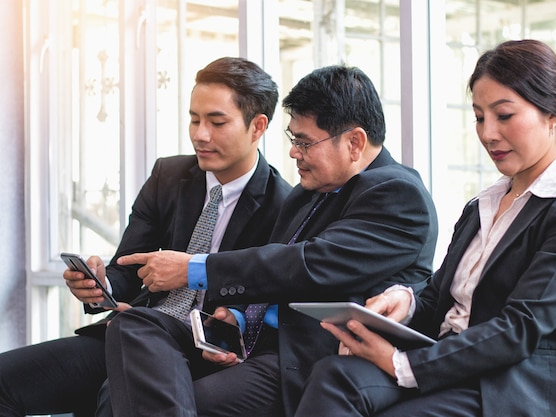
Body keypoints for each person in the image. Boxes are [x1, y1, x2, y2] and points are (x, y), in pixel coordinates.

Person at [101, 64, 439, 417]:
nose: (294, 153)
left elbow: (311, 265)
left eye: (305, 142)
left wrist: (194, 269)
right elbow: (275, 281)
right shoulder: (309, 191)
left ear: (354, 142)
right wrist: (238, 317)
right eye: (293, 140)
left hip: (299, 361)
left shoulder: (397, 193)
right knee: (134, 325)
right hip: (249, 347)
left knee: (130, 402)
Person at [293, 39, 556, 417]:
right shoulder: (484, 205)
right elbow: (442, 297)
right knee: (333, 375)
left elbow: (518, 329)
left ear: (554, 112)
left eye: (503, 115)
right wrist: (406, 302)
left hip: (510, 388)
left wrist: (401, 366)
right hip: (451, 367)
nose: (488, 133)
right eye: (479, 117)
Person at [0, 56, 292, 417]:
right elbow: (127, 266)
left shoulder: (284, 204)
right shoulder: (167, 176)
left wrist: (231, 316)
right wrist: (103, 284)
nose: (201, 134)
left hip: (200, 349)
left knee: (113, 401)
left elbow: (267, 295)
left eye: (217, 122)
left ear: (258, 126)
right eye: (194, 118)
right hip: (131, 330)